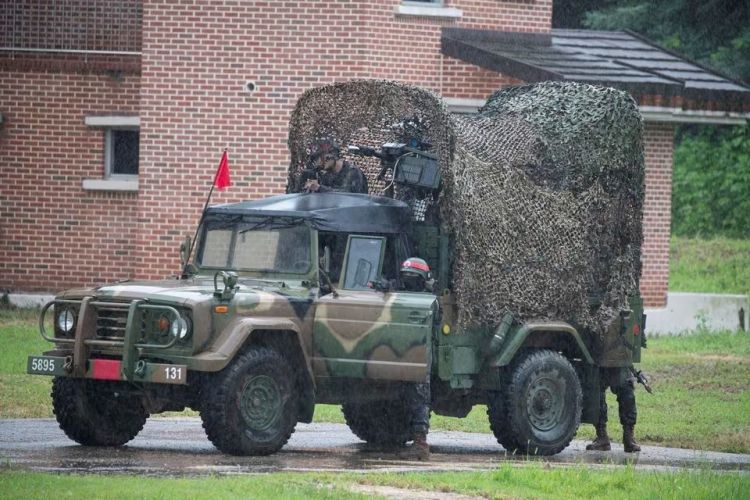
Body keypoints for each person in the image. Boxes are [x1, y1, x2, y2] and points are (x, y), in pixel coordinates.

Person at [398, 257, 433, 460]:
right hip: (412, 355)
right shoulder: (417, 298)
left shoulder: (426, 301)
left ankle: (420, 443)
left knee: (419, 396)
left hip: (421, 357)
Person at [586, 367, 641, 453]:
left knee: (626, 390)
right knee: (596, 392)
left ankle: (629, 437)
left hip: (618, 358)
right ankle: (602, 436)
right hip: (598, 357)